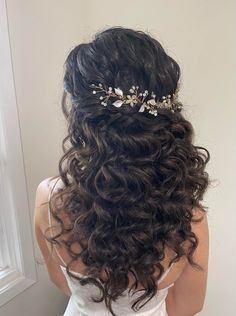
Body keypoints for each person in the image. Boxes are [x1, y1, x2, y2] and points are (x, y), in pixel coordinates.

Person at [34, 26, 210, 316]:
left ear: (82, 118)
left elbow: (62, 283)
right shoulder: (189, 220)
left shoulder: (49, 198)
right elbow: (186, 307)